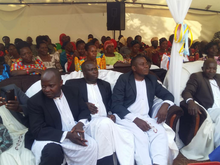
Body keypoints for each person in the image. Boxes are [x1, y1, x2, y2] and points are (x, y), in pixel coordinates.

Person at [65, 61, 134, 165]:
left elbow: (110, 104)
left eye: (95, 69)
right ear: (83, 73)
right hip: (87, 122)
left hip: (106, 119)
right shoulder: (73, 84)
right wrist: (84, 104)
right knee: (105, 126)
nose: (94, 72)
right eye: (90, 70)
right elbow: (68, 102)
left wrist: (111, 114)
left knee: (127, 136)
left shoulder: (105, 85)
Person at [112, 54, 174, 165]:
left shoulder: (151, 79)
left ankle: (158, 163)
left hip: (145, 117)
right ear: (134, 68)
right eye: (142, 64)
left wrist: (165, 106)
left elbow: (168, 95)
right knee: (141, 138)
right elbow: (116, 105)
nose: (146, 66)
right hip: (126, 118)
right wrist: (135, 119)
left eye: (146, 64)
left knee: (160, 133)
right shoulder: (124, 79)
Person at [28, 68, 97, 165]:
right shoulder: (35, 101)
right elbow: (38, 130)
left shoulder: (73, 91)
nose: (47, 90)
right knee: (53, 152)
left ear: (60, 83)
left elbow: (84, 110)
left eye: (51, 86)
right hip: (50, 138)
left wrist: (80, 124)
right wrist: (66, 135)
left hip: (73, 131)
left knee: (90, 146)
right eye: (43, 86)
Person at [182, 58, 220, 148]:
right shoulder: (197, 77)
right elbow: (187, 92)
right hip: (211, 109)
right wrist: (190, 101)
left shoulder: (218, 77)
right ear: (203, 68)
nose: (211, 71)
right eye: (208, 68)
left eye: (214, 69)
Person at [0, 84, 35, 165]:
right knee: (6, 159)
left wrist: (19, 108)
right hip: (7, 140)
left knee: (28, 159)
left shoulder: (13, 89)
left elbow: (34, 108)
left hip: (27, 133)